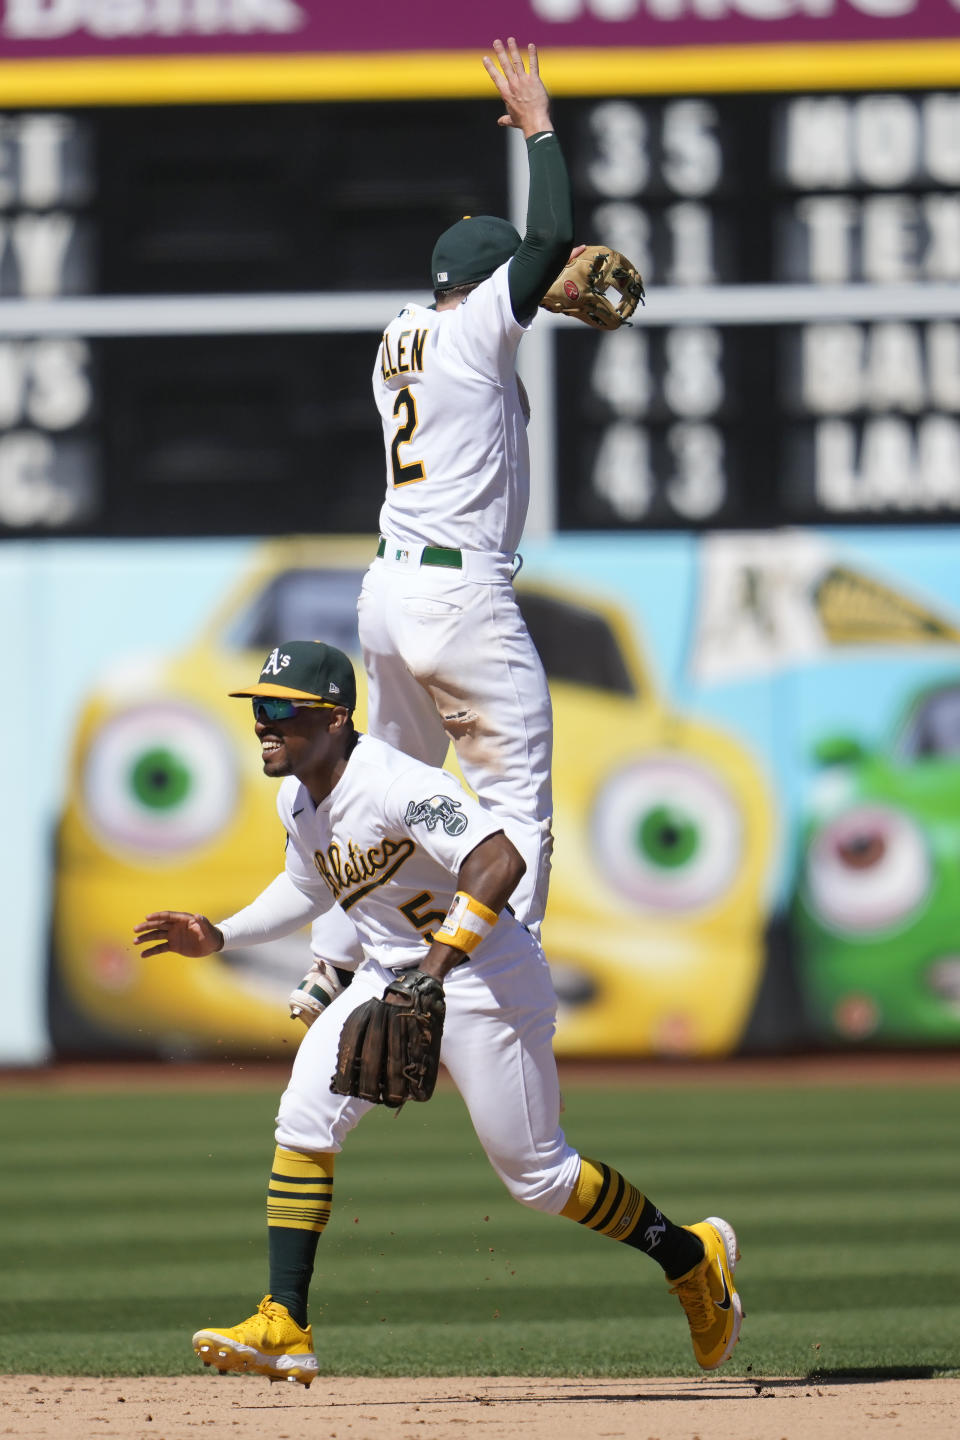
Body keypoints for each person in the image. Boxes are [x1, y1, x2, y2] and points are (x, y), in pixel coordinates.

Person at [133, 640, 744, 1387]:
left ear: (333, 719)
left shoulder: (397, 784)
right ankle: (284, 1320)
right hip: (393, 976)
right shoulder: (297, 799)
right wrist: (221, 933)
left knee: (539, 1177)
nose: (263, 725)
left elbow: (498, 862)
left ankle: (692, 1258)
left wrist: (436, 964)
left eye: (279, 710)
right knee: (302, 1119)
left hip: (487, 979)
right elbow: (305, 887)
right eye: (258, 708)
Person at [355, 36, 578, 941]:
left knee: (381, 792)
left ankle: (341, 958)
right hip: (460, 599)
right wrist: (540, 131)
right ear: (490, 285)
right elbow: (553, 239)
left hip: (387, 593)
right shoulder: (481, 328)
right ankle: (498, 974)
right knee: (516, 799)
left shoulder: (398, 337)